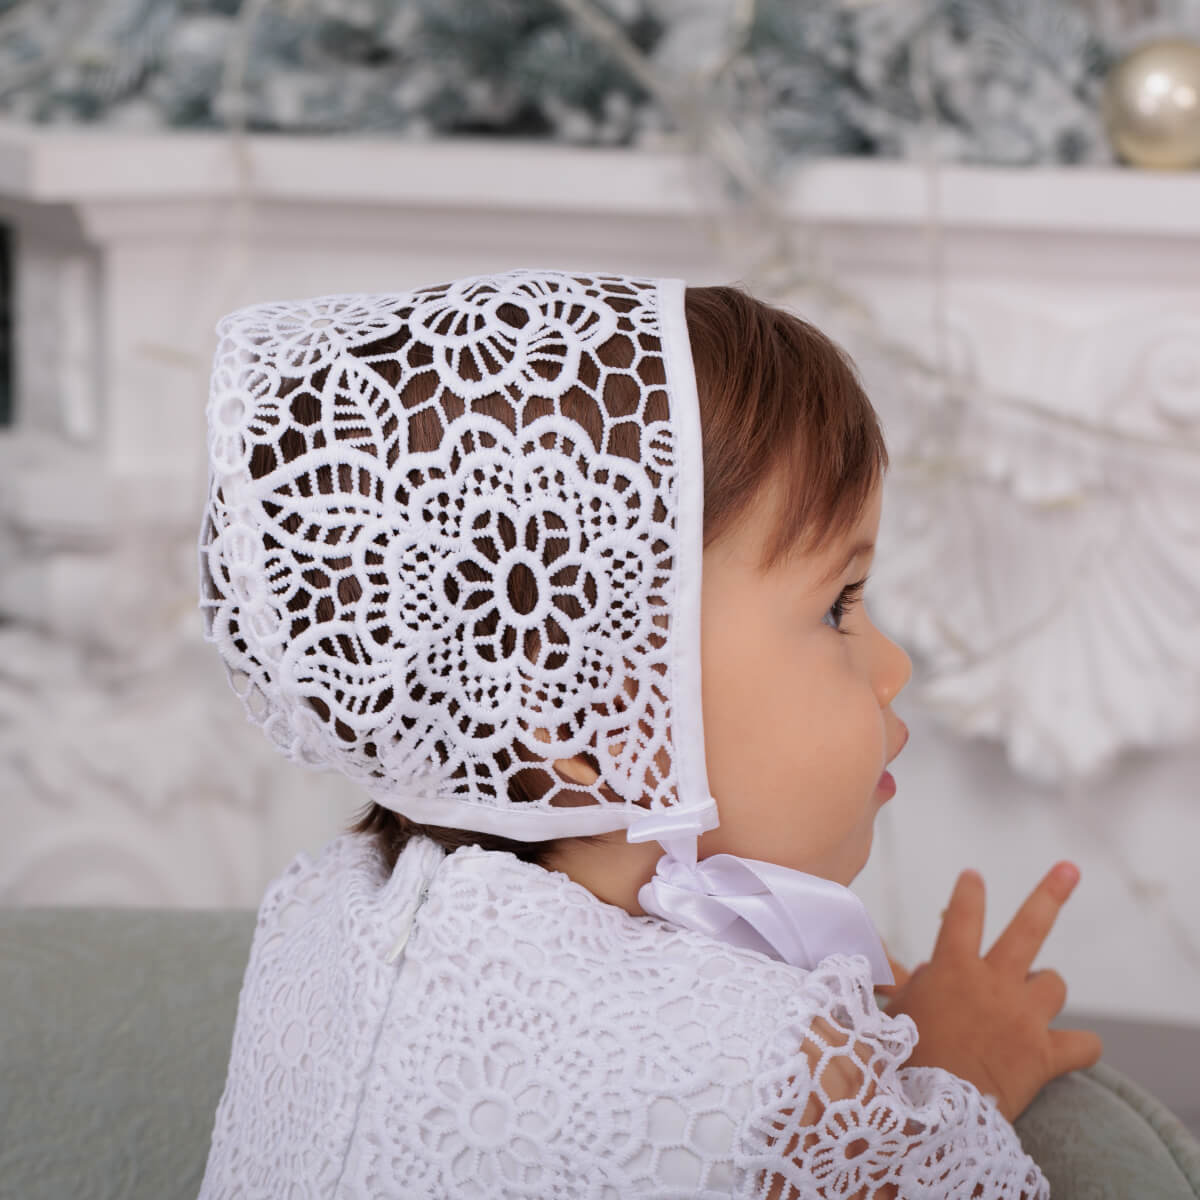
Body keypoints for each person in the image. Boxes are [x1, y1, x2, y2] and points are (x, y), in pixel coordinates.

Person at [197, 269, 1102, 1198]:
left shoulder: (320, 911)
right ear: (587, 718)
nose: (893, 667)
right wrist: (958, 1076)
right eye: (838, 606)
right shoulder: (775, 1075)